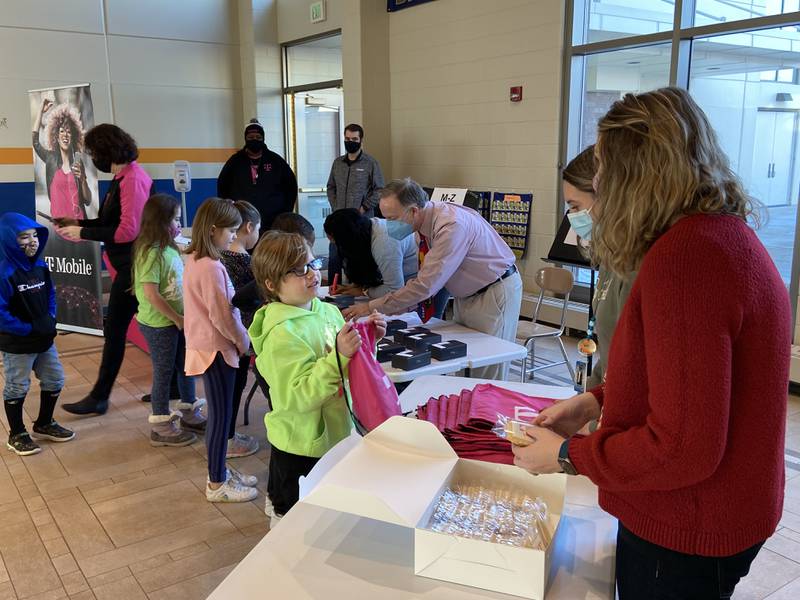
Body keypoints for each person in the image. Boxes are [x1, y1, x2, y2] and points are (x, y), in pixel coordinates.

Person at [511, 87, 791, 599]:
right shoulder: (721, 234)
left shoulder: (685, 260)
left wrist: (570, 454)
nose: (596, 184)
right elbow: (693, 386)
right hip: (726, 507)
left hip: (688, 523)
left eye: (602, 171)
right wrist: (596, 401)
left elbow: (684, 447)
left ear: (631, 177)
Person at [249, 231, 385, 526]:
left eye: (313, 263)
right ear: (272, 284)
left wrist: (366, 342)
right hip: (301, 444)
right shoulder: (282, 334)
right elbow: (298, 396)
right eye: (298, 270)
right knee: (293, 525)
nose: (311, 274)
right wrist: (339, 356)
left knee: (325, 517)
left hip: (335, 435)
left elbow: (346, 366)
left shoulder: (325, 310)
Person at [343, 177, 522, 380]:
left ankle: (487, 412)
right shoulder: (422, 225)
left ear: (414, 210)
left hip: (492, 291)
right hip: (466, 295)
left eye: (392, 219)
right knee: (463, 363)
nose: (388, 225)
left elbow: (426, 284)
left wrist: (371, 306)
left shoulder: (451, 226)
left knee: (487, 368)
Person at [57, 124, 153, 415]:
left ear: (107, 150)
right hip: (130, 264)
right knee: (153, 325)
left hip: (136, 266)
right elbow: (108, 221)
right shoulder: (121, 177)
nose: (93, 158)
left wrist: (82, 235)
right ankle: (173, 383)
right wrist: (78, 224)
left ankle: (100, 396)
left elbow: (127, 231)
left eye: (94, 152)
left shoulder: (133, 179)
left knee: (115, 331)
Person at [183, 198, 257, 503]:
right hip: (215, 350)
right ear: (213, 230)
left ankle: (221, 472)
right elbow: (223, 315)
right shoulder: (212, 267)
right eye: (230, 230)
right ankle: (216, 483)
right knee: (221, 417)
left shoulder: (197, 259)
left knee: (222, 415)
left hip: (211, 346)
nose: (233, 236)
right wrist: (243, 341)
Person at [133, 194, 206, 447]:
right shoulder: (150, 253)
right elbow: (151, 294)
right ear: (160, 222)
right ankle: (161, 425)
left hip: (177, 322)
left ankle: (189, 413)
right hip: (159, 324)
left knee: (185, 367)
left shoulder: (169, 248)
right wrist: (176, 317)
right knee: (163, 373)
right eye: (175, 219)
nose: (179, 223)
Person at [561, 146, 636, 389]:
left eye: (575, 206)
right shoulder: (610, 256)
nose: (572, 216)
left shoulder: (640, 264)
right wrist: (590, 401)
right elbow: (609, 361)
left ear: (606, 197)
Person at [0, 213, 74, 456]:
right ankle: (17, 433)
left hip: (44, 340)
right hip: (17, 344)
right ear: (10, 239)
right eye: (23, 237)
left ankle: (44, 423)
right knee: (17, 386)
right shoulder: (4, 273)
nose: (31, 241)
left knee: (55, 379)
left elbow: (51, 294)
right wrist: (28, 328)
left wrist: (50, 318)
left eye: (34, 236)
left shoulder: (41, 266)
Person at [220, 200, 262, 459]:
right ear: (248, 227)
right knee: (235, 386)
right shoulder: (245, 262)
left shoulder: (221, 256)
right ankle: (228, 438)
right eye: (258, 228)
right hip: (241, 333)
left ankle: (227, 434)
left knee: (232, 386)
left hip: (229, 332)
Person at [325, 124, 385, 282]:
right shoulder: (338, 163)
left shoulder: (371, 163)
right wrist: (335, 206)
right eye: (347, 139)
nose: (350, 142)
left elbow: (379, 189)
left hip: (360, 221)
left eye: (354, 139)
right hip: (339, 220)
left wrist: (364, 207)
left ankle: (358, 288)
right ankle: (332, 291)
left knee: (357, 259)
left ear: (361, 140)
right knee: (334, 258)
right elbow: (331, 187)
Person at [217, 119, 297, 234]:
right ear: (245, 138)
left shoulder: (276, 161)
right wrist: (228, 209)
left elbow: (291, 186)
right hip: (242, 219)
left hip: (272, 221)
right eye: (250, 137)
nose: (254, 140)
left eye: (258, 137)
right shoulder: (235, 161)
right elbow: (222, 185)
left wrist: (285, 213)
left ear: (263, 138)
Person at [323, 208, 417, 299]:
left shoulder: (384, 243)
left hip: (415, 283)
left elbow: (395, 290)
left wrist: (363, 291)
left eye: (338, 243)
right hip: (401, 279)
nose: (338, 248)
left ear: (348, 241)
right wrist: (354, 286)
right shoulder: (363, 229)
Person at [32, 98, 91, 220]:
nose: (65, 135)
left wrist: (83, 180)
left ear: (73, 137)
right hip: (59, 228)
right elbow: (35, 142)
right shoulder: (50, 158)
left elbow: (87, 200)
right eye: (62, 131)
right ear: (56, 137)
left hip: (78, 227)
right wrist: (40, 111)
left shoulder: (77, 162)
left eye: (69, 132)